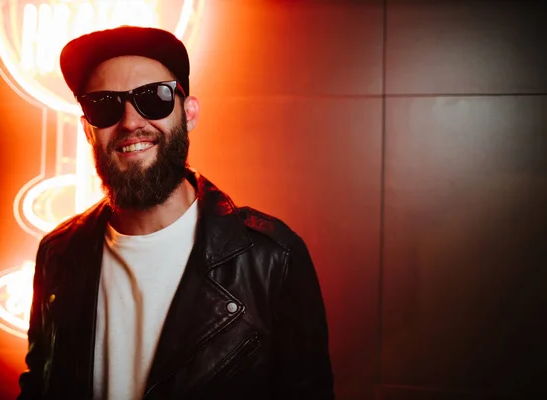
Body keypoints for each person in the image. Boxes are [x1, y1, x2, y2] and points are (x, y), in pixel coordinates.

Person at [17, 26, 334, 399]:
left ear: (190, 113)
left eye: (154, 98)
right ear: (88, 130)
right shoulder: (58, 252)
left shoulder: (273, 258)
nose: (131, 122)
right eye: (104, 104)